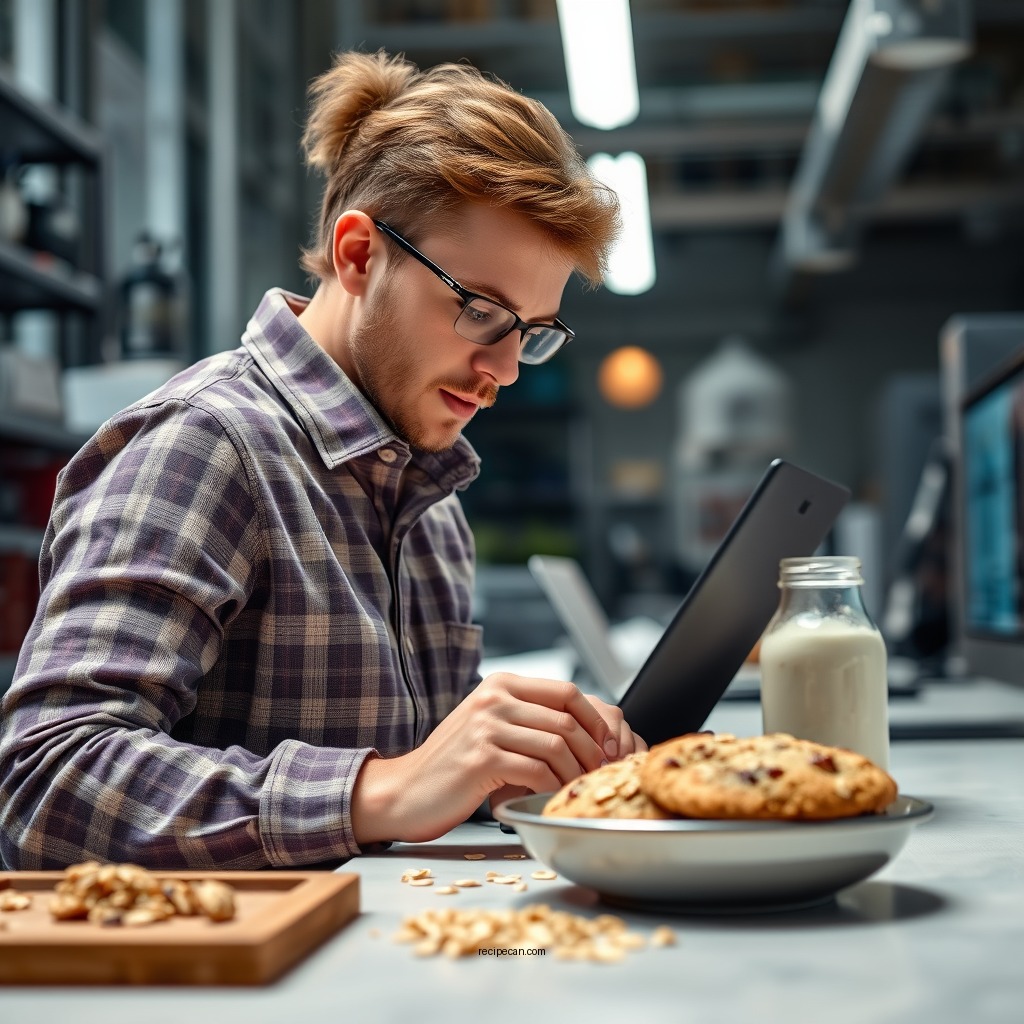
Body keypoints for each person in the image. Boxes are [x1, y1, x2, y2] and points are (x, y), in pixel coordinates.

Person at [0, 50, 643, 870]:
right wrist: (386, 791)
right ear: (358, 254)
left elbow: (424, 788)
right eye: (482, 311)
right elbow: (45, 784)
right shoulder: (205, 446)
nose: (505, 371)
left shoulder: (430, 500)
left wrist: (515, 764)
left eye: (531, 332)